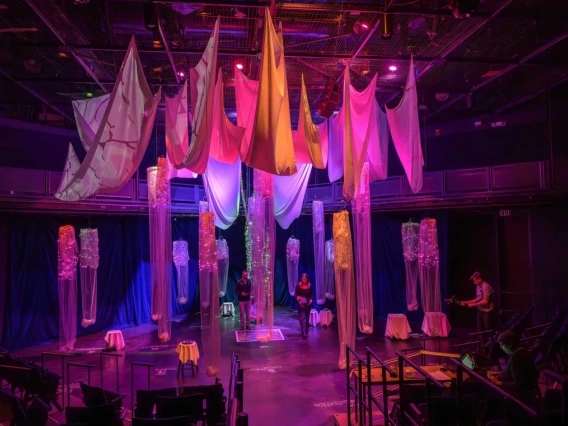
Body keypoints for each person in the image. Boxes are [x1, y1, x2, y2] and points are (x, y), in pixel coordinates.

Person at [487, 331, 539, 404]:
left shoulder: (517, 358)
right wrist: (499, 373)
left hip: (517, 396)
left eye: (502, 344)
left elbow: (519, 384)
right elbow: (517, 373)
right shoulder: (522, 351)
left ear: (510, 344)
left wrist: (498, 382)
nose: (501, 347)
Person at [295, 273, 313, 339]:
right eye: (303, 279)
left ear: (307, 279)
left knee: (307, 317)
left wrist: (311, 299)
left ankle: (306, 330)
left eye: (305, 279)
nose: (304, 280)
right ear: (301, 279)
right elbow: (296, 293)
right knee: (302, 318)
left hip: (308, 303)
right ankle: (303, 333)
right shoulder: (298, 285)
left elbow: (311, 293)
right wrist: (297, 297)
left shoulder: (309, 285)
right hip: (301, 302)